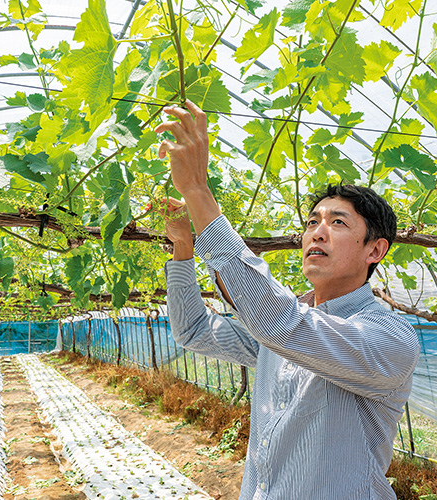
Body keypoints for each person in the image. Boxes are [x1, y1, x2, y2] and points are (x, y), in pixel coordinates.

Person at [156, 100, 420, 499]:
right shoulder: (280, 335)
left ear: (375, 251)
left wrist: (197, 190)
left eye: (338, 222)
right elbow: (193, 331)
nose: (317, 231)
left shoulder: (390, 339)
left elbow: (282, 325)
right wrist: (182, 249)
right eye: (312, 222)